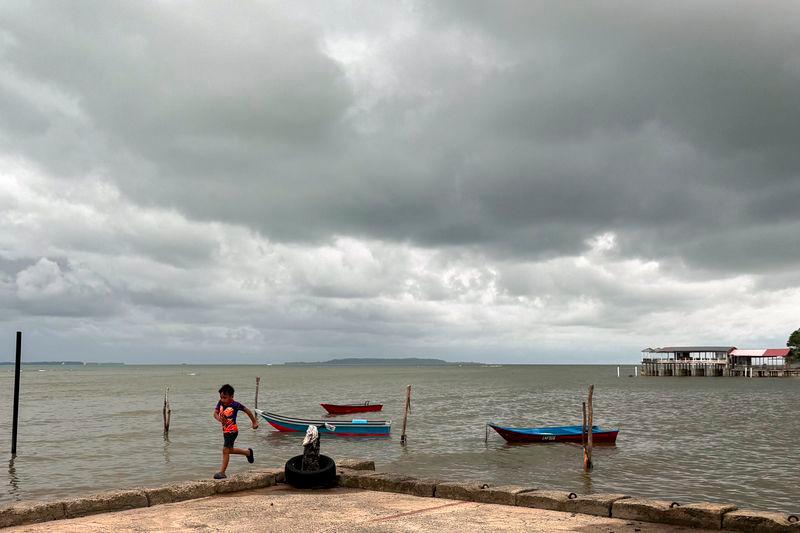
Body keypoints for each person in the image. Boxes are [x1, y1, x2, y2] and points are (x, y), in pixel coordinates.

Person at [212, 383, 259, 479]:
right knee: (229, 450)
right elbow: (215, 413)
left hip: (232, 431)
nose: (222, 400)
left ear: (231, 396)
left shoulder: (235, 404)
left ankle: (222, 472)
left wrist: (254, 422)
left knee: (225, 450)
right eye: (221, 397)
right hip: (225, 431)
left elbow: (248, 411)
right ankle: (248, 453)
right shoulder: (220, 403)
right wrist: (219, 419)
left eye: (225, 397)